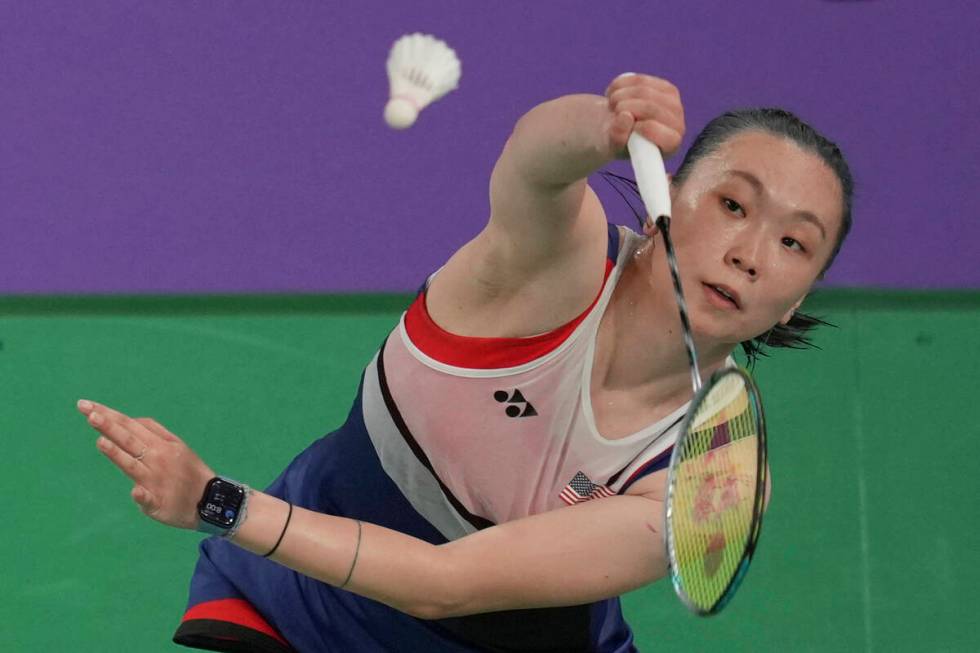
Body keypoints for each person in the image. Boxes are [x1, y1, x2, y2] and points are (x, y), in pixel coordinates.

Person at [77, 72, 853, 652]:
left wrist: (217, 501)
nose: (750, 254)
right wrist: (604, 122)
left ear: (797, 299)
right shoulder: (558, 266)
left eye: (794, 243)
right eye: (733, 204)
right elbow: (533, 163)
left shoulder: (717, 468)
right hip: (305, 587)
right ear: (671, 198)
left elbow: (442, 585)